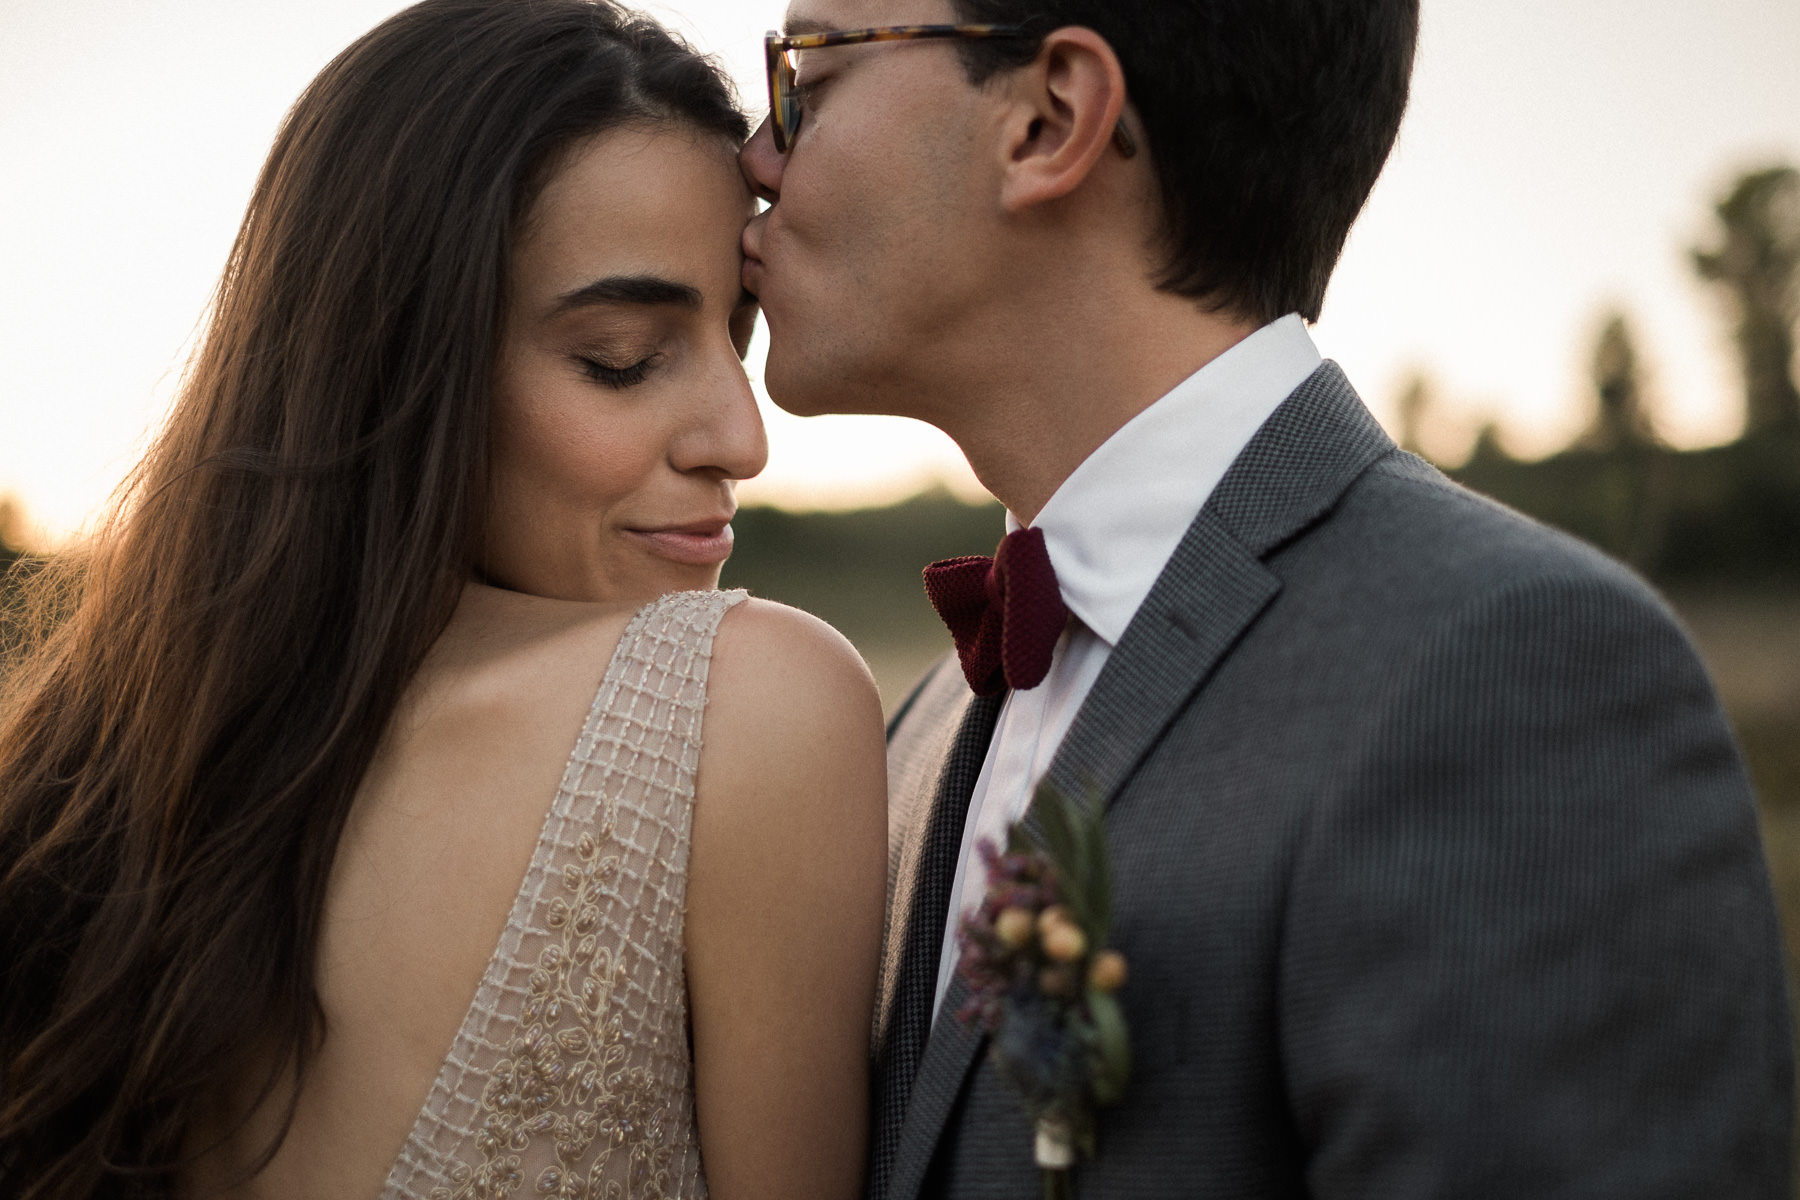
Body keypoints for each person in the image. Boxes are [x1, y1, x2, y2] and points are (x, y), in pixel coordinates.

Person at [738, 1, 1794, 1196]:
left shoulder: (1518, 676)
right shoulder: (922, 725)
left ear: (1049, 119)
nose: (755, 157)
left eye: (805, 79)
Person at [0, 2, 887, 1197]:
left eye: (736, 334)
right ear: (399, 362)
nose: (742, 438)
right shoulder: (748, 702)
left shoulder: (85, 784)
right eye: (623, 358)